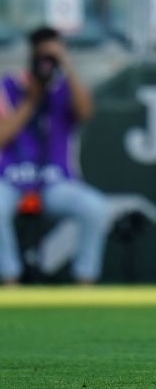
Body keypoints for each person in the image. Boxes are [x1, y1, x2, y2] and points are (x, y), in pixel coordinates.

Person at [0, 27, 108, 285]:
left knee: (95, 207)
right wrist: (31, 100)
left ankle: (85, 280)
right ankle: (10, 278)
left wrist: (67, 66)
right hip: (11, 177)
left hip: (54, 181)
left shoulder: (66, 88)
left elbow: (85, 113)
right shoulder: (9, 86)